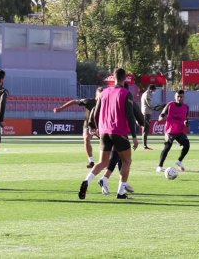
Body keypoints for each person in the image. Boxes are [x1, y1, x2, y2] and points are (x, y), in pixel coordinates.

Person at [79, 68, 138, 200]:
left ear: (113, 77)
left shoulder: (104, 92)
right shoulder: (125, 93)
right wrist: (134, 136)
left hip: (104, 131)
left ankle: (87, 181)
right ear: (125, 78)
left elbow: (95, 112)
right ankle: (121, 192)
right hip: (119, 131)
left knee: (102, 162)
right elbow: (130, 115)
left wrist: (96, 127)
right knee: (126, 161)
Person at [98, 83, 145, 195]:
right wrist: (141, 124)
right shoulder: (126, 97)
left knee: (117, 158)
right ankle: (115, 184)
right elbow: (137, 115)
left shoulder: (108, 96)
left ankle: (115, 182)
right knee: (122, 159)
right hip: (120, 132)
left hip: (107, 130)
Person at [53, 87, 103, 168]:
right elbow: (74, 101)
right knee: (86, 139)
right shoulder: (89, 101)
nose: (101, 97)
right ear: (96, 95)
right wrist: (61, 108)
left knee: (106, 142)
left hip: (100, 125)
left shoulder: (106, 104)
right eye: (100, 95)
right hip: (88, 125)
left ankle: (105, 161)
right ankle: (91, 161)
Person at [156, 90, 190, 173]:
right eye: (178, 96)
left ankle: (179, 161)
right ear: (175, 97)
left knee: (187, 145)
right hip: (170, 131)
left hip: (180, 131)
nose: (179, 98)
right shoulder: (170, 104)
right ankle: (159, 166)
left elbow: (186, 118)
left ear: (183, 97)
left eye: (181, 96)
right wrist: (161, 117)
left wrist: (186, 122)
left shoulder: (186, 107)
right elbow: (163, 113)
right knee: (167, 147)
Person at [140, 84, 161, 150]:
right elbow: (150, 105)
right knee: (146, 129)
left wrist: (156, 106)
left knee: (146, 129)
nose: (154, 92)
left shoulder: (148, 94)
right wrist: (156, 108)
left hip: (147, 113)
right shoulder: (147, 94)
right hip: (146, 113)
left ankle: (145, 145)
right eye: (153, 90)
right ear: (150, 89)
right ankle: (144, 146)